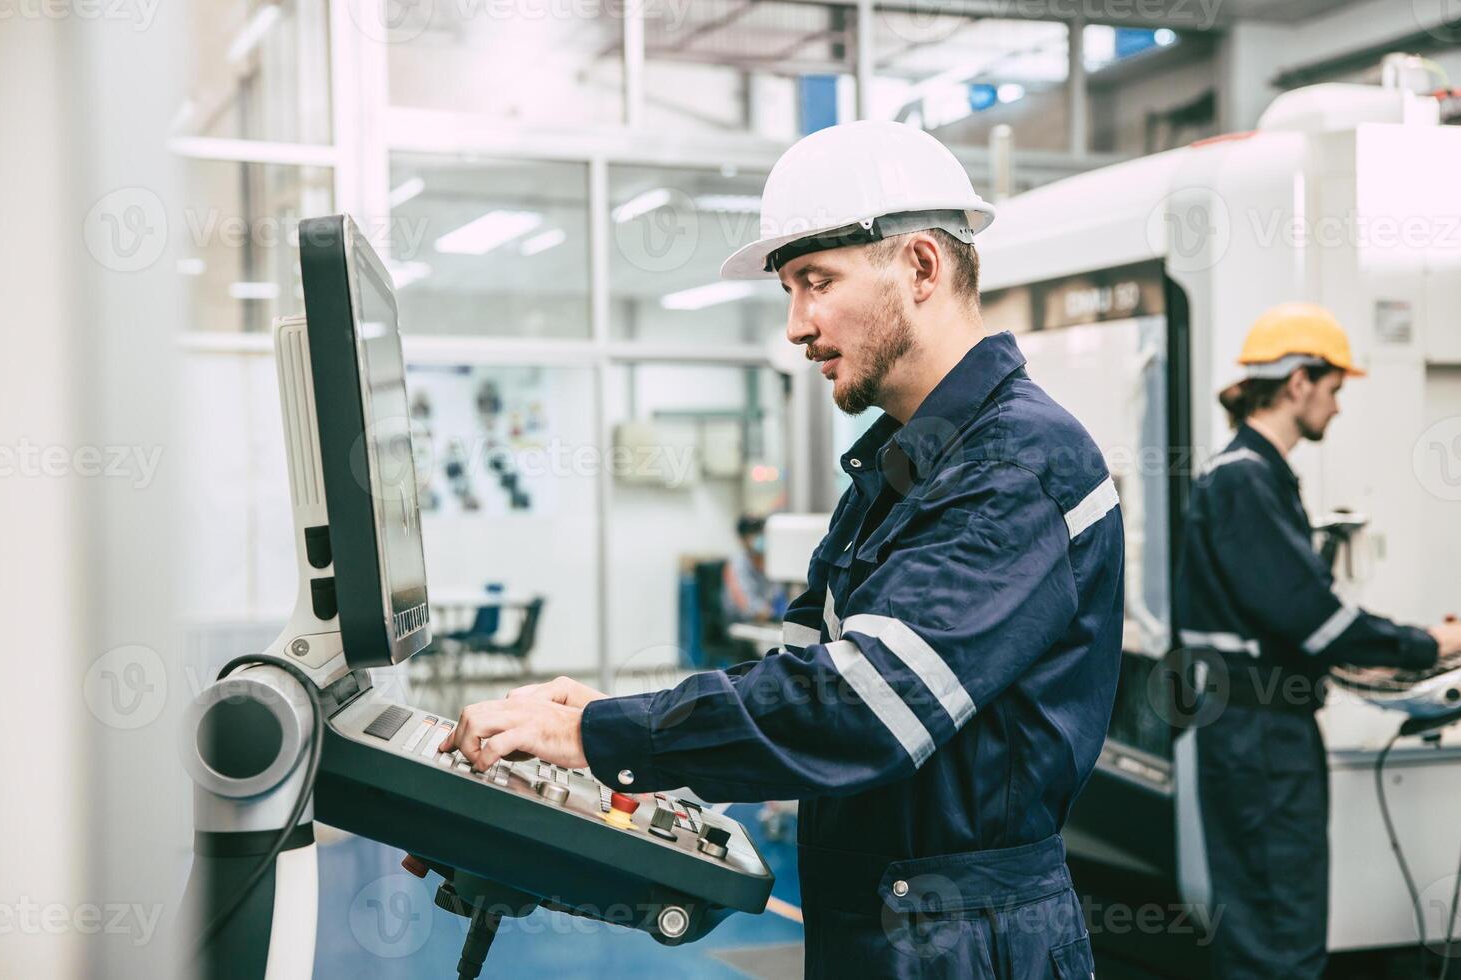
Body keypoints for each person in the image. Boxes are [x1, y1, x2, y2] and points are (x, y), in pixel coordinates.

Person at [436, 120, 1126, 978]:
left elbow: (863, 706)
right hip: (896, 921)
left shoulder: (1014, 466)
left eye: (815, 282)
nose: (797, 325)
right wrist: (605, 723)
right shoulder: (899, 467)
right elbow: (801, 685)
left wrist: (603, 735)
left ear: (920, 267)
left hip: (968, 939)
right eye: (790, 290)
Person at [1171, 302, 1461, 979]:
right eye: (1333, 391)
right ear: (1298, 382)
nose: (1336, 408)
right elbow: (1315, 620)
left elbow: (1297, 616)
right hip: (1261, 740)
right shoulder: (1245, 478)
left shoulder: (1247, 474)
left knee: (1264, 922)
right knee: (1279, 930)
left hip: (1251, 730)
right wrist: (1432, 644)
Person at [721, 515, 785, 625]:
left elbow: (779, 595)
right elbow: (747, 604)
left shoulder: (769, 561)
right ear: (742, 540)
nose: (760, 536)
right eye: (753, 533)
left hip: (767, 622)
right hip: (741, 625)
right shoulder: (736, 565)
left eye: (761, 532)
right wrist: (773, 614)